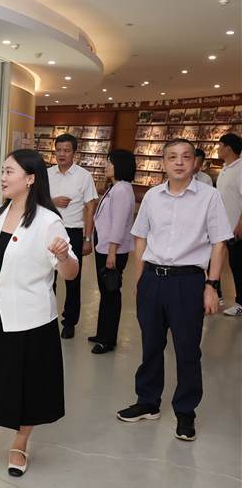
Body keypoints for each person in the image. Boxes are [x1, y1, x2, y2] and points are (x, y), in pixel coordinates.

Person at [0, 149, 78, 477]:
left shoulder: (48, 221)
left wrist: (64, 256)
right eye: (3, 171)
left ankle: (19, 445)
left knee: (28, 385)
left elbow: (71, 273)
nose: (3, 177)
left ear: (30, 178)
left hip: (32, 318)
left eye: (10, 172)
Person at [117, 139, 232, 441]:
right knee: (151, 344)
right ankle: (148, 401)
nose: (179, 162)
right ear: (164, 163)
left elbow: (219, 242)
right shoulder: (152, 196)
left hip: (188, 281)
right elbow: (141, 237)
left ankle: (185, 411)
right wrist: (140, 279)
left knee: (187, 349)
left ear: (195, 162)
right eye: (172, 157)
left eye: (185, 157)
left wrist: (212, 285)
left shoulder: (209, 197)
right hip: (153, 279)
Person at [48, 133, 98, 339]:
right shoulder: (47, 174)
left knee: (73, 279)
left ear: (74, 153)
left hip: (73, 232)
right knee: (47, 276)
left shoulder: (83, 176)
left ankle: (69, 322)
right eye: (59, 150)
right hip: (49, 231)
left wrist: (87, 238)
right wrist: (53, 201)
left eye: (66, 150)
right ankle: (47, 317)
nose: (62, 154)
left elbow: (90, 207)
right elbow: (36, 200)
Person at [88, 150, 136, 354]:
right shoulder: (115, 187)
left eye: (110, 163)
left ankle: (107, 340)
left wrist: (112, 252)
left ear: (121, 166)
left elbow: (118, 223)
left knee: (111, 292)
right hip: (105, 246)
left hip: (112, 249)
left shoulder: (122, 190)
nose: (106, 166)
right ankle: (102, 333)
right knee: (106, 291)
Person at [216, 133, 242, 317]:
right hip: (223, 228)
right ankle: (216, 295)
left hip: (236, 230)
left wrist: (240, 224)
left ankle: (240, 303)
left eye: (220, 145)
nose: (218, 149)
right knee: (218, 261)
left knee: (238, 266)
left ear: (228, 148)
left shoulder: (240, 169)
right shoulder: (225, 169)